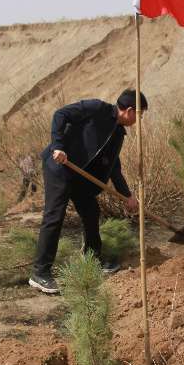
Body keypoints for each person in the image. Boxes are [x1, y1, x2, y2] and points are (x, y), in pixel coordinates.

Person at [29, 89, 146, 294]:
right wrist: (58, 146)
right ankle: (40, 273)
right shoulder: (96, 108)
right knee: (54, 216)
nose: (139, 119)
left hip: (79, 175)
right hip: (59, 166)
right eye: (140, 114)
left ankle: (93, 258)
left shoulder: (118, 134)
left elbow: (113, 167)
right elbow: (60, 114)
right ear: (129, 111)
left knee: (91, 212)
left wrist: (127, 195)